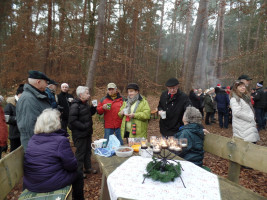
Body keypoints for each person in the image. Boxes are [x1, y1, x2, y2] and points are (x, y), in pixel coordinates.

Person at [23, 109, 84, 200]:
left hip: (31, 183)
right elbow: (71, 166)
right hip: (49, 184)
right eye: (59, 120)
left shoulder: (33, 139)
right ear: (55, 123)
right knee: (78, 174)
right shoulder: (61, 140)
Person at [16, 70, 51, 150]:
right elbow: (29, 128)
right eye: (46, 82)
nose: (47, 85)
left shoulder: (37, 97)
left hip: (43, 144)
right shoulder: (28, 99)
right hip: (37, 148)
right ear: (38, 82)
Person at [68, 86, 97, 177]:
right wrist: (84, 126)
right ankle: (79, 172)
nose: (89, 95)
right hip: (79, 134)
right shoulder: (75, 105)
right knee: (80, 152)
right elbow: (72, 121)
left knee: (88, 151)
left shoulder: (85, 104)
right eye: (87, 93)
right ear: (81, 95)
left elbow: (88, 114)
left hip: (87, 133)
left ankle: (88, 168)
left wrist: (93, 108)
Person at [4, 84, 24, 152]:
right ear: (20, 93)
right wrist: (17, 119)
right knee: (14, 154)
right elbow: (5, 118)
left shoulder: (24, 103)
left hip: (23, 133)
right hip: (14, 135)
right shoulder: (10, 104)